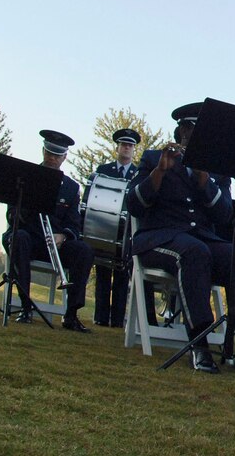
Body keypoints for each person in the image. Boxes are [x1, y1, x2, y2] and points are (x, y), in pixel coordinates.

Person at [125, 103, 235, 377]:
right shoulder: (154, 158)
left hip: (201, 240)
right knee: (194, 252)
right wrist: (159, 173)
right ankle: (199, 344)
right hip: (159, 238)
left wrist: (205, 180)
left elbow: (225, 214)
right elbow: (134, 205)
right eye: (192, 131)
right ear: (182, 131)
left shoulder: (216, 170)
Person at [3, 130, 95, 331]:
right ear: (43, 151)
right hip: (28, 237)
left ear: (64, 157)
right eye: (49, 153)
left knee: (84, 250)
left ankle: (71, 314)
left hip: (55, 242)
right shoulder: (25, 177)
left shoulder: (71, 188)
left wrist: (63, 236)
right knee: (20, 237)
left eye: (57, 155)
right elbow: (12, 216)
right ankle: (25, 307)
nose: (52, 159)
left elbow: (74, 224)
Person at [87, 128, 141, 328]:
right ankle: (100, 317)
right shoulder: (103, 170)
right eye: (123, 145)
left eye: (130, 146)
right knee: (102, 271)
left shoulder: (138, 174)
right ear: (117, 147)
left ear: (134, 150)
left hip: (126, 231)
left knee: (121, 274)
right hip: (104, 227)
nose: (126, 148)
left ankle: (118, 320)